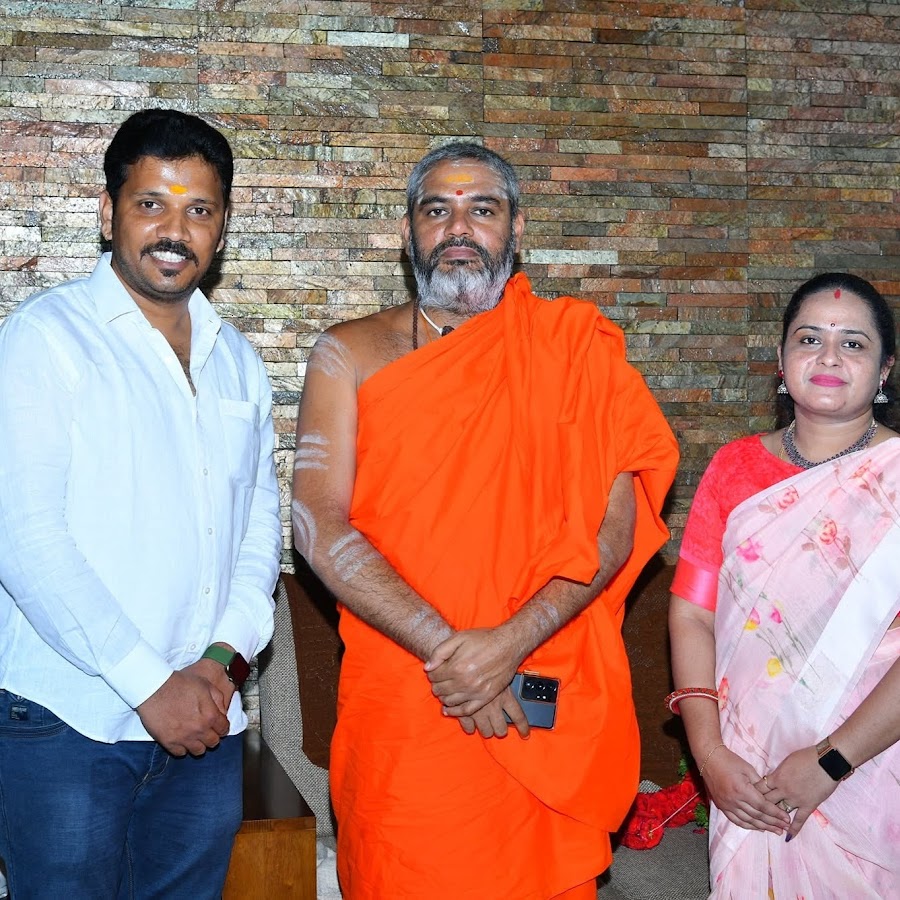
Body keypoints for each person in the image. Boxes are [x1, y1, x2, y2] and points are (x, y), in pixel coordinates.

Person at [292, 141, 679, 899]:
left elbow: (614, 531)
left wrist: (506, 647)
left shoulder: (572, 348)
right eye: (437, 210)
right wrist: (453, 654)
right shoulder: (350, 354)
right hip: (408, 696)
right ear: (408, 232)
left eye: (483, 208)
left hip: (536, 682)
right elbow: (317, 525)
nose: (458, 227)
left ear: (515, 227)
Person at [0, 109, 282, 898]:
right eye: (151, 203)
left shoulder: (237, 360)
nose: (175, 230)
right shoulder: (45, 339)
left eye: (200, 209)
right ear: (107, 212)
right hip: (69, 722)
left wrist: (221, 664)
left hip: (206, 726)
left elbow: (258, 531)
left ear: (221, 228)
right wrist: (151, 685)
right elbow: (24, 538)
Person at [668, 272, 900, 898]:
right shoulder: (734, 467)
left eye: (853, 344)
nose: (829, 357)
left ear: (885, 370)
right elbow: (691, 614)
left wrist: (833, 761)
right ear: (781, 358)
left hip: (875, 762)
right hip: (746, 763)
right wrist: (710, 756)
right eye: (809, 338)